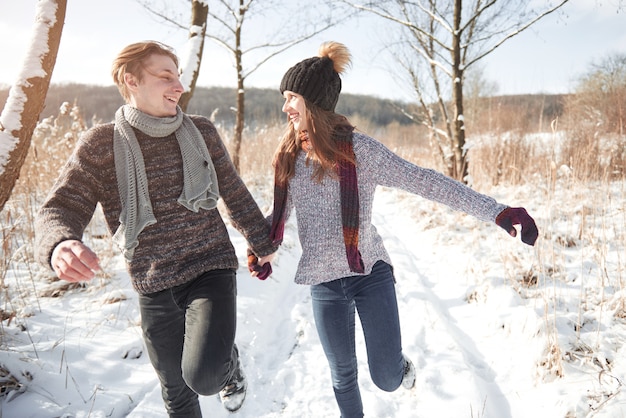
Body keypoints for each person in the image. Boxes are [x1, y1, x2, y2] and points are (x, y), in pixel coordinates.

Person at [247, 41, 539, 418]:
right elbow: (280, 215)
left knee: (385, 377)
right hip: (323, 281)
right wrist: (263, 247)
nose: (285, 107)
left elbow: (426, 182)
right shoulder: (289, 156)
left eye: (291, 98)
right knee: (342, 376)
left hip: (369, 273)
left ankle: (401, 368)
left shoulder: (361, 151)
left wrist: (497, 211)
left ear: (314, 101)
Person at [34, 41, 277, 417]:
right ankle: (219, 351)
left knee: (205, 376)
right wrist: (60, 244)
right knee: (176, 393)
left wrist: (262, 241)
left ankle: (228, 365)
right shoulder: (101, 145)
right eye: (166, 76)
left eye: (178, 76)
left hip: (209, 265)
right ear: (131, 80)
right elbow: (61, 205)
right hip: (153, 280)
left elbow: (232, 190)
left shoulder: (202, 131)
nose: (178, 86)